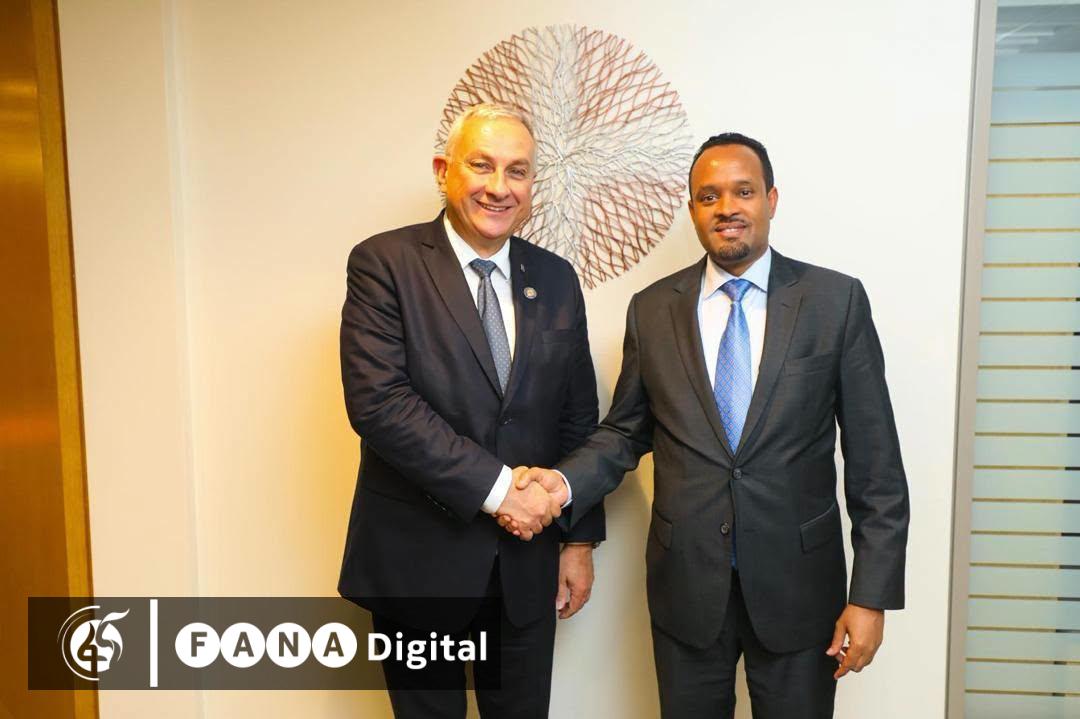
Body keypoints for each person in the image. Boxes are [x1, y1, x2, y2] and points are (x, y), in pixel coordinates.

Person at [504, 132, 909, 718]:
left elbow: (878, 466)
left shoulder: (834, 302)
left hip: (801, 590)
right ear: (692, 208)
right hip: (687, 589)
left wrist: (871, 597)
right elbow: (625, 432)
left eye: (743, 191)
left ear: (771, 199)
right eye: (709, 196)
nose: (727, 208)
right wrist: (560, 485)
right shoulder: (652, 309)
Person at [337, 103, 605, 718]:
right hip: (418, 564)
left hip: (527, 566)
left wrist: (578, 540)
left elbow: (578, 418)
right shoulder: (384, 264)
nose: (498, 187)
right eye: (481, 165)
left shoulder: (556, 279)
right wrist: (501, 490)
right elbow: (380, 404)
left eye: (517, 171)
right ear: (444, 170)